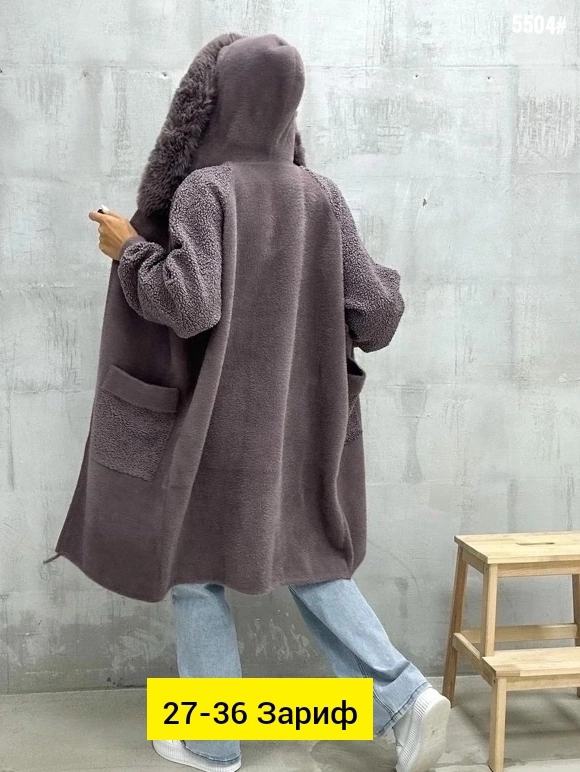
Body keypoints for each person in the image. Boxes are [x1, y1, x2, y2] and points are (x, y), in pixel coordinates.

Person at [52, 32, 450, 772]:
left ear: (215, 99)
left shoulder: (208, 189)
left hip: (217, 427)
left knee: (194, 569)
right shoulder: (320, 194)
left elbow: (189, 304)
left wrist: (128, 248)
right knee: (311, 560)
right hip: (305, 426)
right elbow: (378, 314)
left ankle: (214, 743)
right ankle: (406, 697)